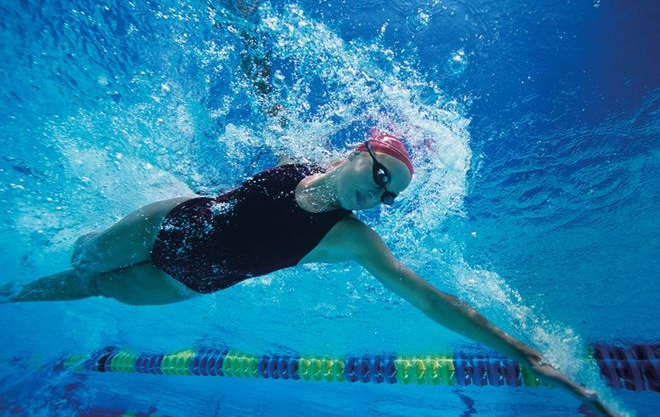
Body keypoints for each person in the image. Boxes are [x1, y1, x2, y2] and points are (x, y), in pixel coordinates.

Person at [4, 132, 616, 416]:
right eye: (381, 177)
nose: (379, 195)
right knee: (83, 255)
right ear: (360, 152)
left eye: (391, 196)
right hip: (167, 224)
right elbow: (270, 102)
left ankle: (7, 295)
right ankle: (30, 255)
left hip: (180, 283)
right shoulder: (297, 158)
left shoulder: (350, 240)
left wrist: (529, 356)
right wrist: (251, 44)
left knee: (96, 284)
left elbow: (433, 302)